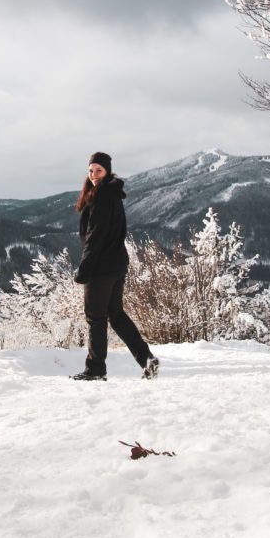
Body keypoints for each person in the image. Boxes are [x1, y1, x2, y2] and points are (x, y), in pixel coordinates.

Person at [71, 151, 159, 382]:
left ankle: (96, 369)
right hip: (117, 264)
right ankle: (146, 358)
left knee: (95, 317)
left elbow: (95, 237)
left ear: (107, 170)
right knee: (116, 314)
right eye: (91, 170)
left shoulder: (101, 197)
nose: (93, 175)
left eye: (98, 170)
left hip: (101, 267)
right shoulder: (113, 194)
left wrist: (84, 269)